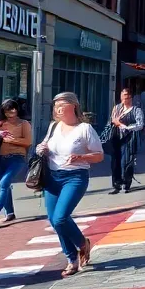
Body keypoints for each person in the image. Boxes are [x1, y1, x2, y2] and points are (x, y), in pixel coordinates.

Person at [35, 92, 103, 277]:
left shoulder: (85, 129)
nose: (56, 107)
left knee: (60, 218)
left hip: (75, 177)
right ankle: (71, 258)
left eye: (60, 104)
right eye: (55, 104)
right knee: (54, 220)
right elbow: (44, 145)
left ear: (73, 105)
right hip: (52, 177)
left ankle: (82, 244)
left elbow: (99, 155)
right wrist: (41, 148)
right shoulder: (53, 127)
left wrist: (81, 156)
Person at [0, 98, 32, 229]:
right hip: (1, 158)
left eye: (12, 109)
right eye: (6, 111)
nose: (10, 113)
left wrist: (12, 140)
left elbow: (28, 141)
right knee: (5, 186)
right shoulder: (0, 123)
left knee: (4, 184)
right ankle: (10, 213)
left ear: (17, 109)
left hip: (17, 158)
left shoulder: (24, 124)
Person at [107, 87, 145, 194]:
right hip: (116, 137)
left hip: (129, 138)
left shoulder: (136, 110)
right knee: (115, 161)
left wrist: (125, 126)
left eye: (126, 97)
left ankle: (126, 183)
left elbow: (140, 125)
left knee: (127, 161)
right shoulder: (117, 108)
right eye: (123, 96)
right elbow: (113, 120)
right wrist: (116, 122)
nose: (124, 99)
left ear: (130, 97)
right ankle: (116, 184)